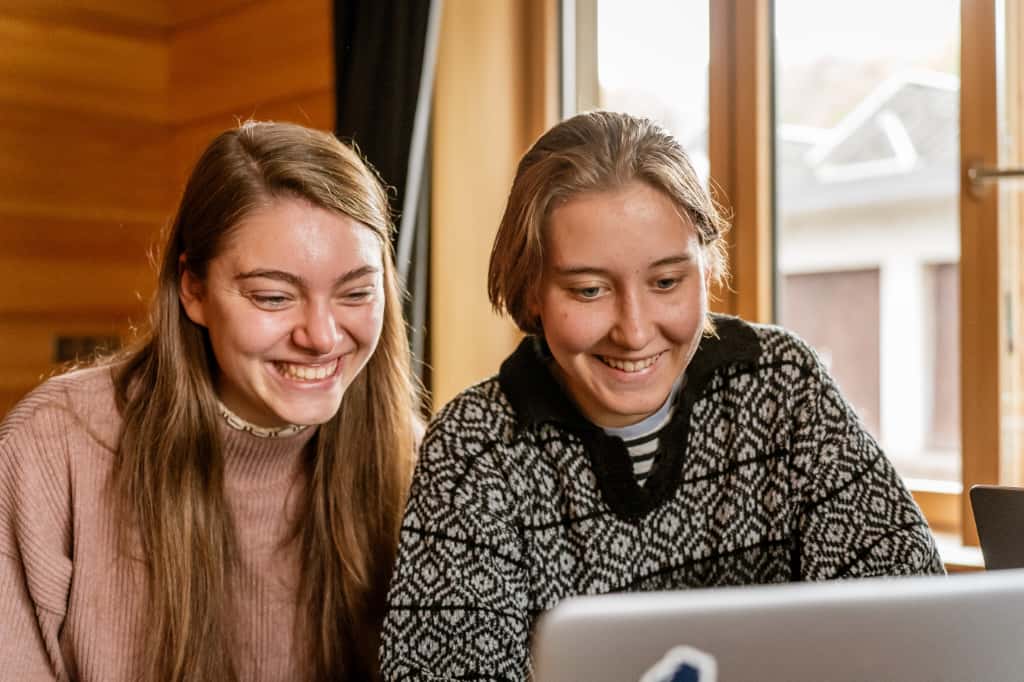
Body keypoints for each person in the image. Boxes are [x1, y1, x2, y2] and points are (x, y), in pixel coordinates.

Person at [379, 111, 944, 680]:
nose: (634, 331)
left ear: (707, 270)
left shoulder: (785, 384)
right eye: (589, 290)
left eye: (666, 282)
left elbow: (912, 617)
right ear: (531, 290)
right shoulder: (474, 446)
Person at [0, 121, 419, 681]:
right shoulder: (53, 447)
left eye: (356, 293)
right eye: (273, 297)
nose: (321, 336)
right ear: (193, 289)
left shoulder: (418, 461)